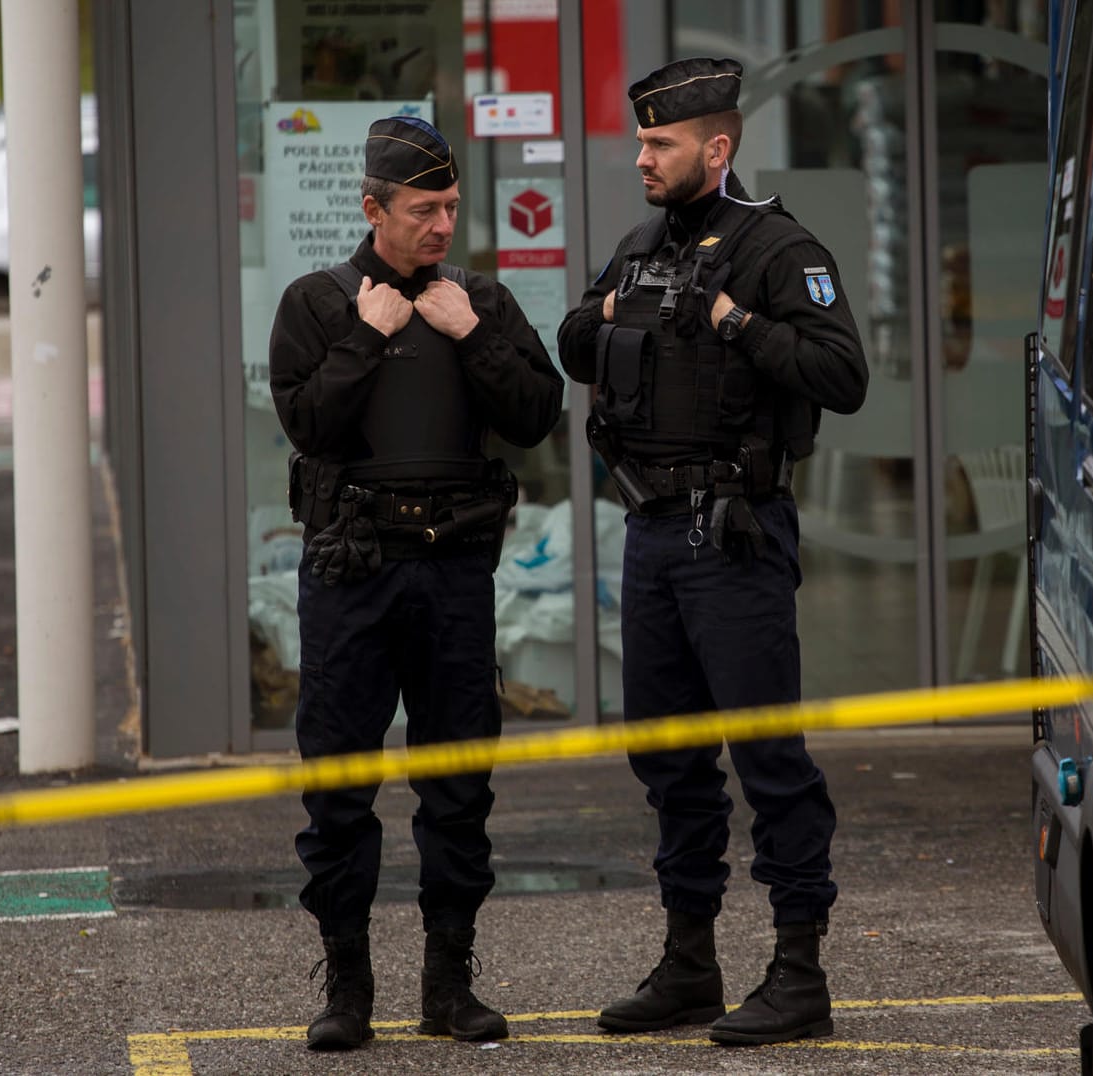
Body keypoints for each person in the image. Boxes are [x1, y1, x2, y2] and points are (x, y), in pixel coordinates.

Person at [554, 57, 869, 1047]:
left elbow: (840, 372)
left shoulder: (778, 248)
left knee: (769, 757)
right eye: (641, 141)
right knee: (669, 758)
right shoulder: (642, 247)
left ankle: (799, 970)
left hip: (735, 533)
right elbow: (571, 339)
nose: (642, 158)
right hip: (651, 531)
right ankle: (691, 961)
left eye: (661, 144)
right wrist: (612, 310)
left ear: (717, 148)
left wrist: (734, 320)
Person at [268, 115, 563, 1052]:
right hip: (353, 573)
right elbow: (309, 425)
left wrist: (471, 334)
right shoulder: (317, 304)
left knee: (457, 784)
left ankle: (448, 982)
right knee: (340, 783)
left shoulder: (477, 300)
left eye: (449, 208)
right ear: (372, 209)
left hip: (452, 574)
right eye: (421, 210)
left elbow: (536, 415)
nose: (441, 225)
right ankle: (347, 986)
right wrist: (365, 335)